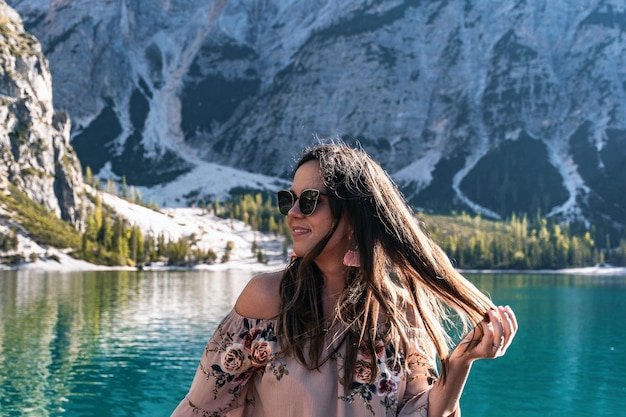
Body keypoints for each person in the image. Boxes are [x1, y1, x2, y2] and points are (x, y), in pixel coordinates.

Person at [171, 143, 517, 417]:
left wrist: (457, 366)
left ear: (353, 215)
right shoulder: (266, 299)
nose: (292, 213)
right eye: (288, 200)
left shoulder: (401, 314)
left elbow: (420, 412)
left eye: (308, 201)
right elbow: (202, 410)